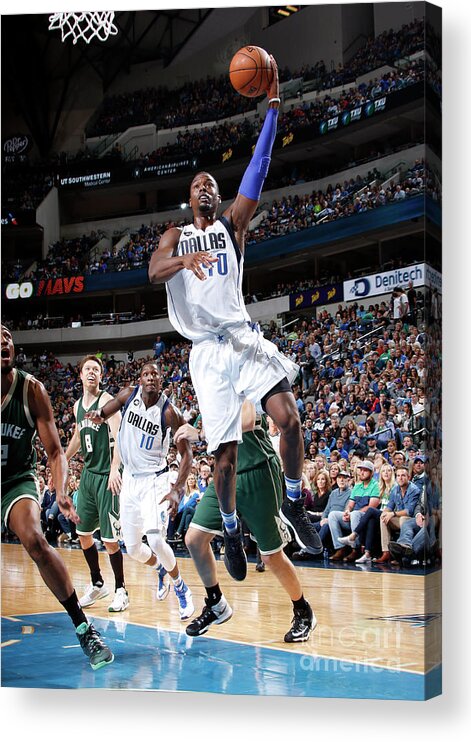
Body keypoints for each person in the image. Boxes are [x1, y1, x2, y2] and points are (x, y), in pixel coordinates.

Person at [148, 57, 321, 581]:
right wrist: (184, 260)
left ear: (218, 197)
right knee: (223, 458)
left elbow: (258, 169)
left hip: (241, 338)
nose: (205, 187)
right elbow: (154, 270)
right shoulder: (176, 237)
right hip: (205, 352)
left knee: (288, 416)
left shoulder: (230, 227)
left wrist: (272, 109)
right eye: (197, 184)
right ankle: (228, 527)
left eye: (211, 184)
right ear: (188, 198)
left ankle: (293, 501)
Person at [1, 325, 113, 670]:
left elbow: (55, 452)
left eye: (7, 336)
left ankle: (83, 626)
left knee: (35, 539)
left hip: (16, 481)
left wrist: (61, 490)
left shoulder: (32, 390)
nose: (4, 341)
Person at [174, 402, 317, 642]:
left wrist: (198, 434)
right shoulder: (209, 388)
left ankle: (303, 611)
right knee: (194, 539)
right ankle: (216, 603)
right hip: (224, 472)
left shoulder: (240, 375)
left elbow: (247, 420)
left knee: (271, 556)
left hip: (257, 470)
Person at [85, 362, 194, 619]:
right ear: (140, 378)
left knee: (155, 539)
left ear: (160, 380)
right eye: (146, 374)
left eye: (155, 374)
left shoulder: (169, 412)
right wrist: (97, 415)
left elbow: (187, 453)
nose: (150, 377)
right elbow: (105, 411)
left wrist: (178, 489)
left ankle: (181, 587)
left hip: (154, 480)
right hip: (130, 480)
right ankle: (159, 568)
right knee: (132, 549)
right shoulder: (127, 395)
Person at [65, 355, 128, 612]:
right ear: (80, 375)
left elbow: (120, 436)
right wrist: (62, 459)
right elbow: (79, 435)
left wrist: (115, 469)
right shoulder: (77, 406)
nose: (92, 372)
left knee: (111, 540)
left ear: (101, 376)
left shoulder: (108, 402)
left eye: (96, 369)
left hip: (107, 474)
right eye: (88, 369)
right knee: (83, 534)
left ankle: (122, 590)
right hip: (89, 476)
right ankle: (97, 582)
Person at [328, 460, 380, 562]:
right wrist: (347, 511)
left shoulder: (375, 485)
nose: (362, 472)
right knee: (333, 515)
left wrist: (352, 514)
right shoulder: (357, 486)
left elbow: (371, 506)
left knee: (355, 514)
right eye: (361, 470)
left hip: (365, 518)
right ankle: (340, 548)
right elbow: (350, 504)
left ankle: (355, 549)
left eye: (365, 470)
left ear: (371, 473)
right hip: (353, 517)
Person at [375, 465, 421, 563]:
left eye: (403, 475)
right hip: (399, 518)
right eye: (398, 476)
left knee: (403, 519)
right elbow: (390, 506)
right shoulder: (395, 489)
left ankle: (401, 552)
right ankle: (386, 552)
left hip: (412, 520)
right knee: (383, 518)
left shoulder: (414, 490)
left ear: (408, 477)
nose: (400, 478)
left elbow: (410, 511)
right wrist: (384, 513)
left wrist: (393, 513)